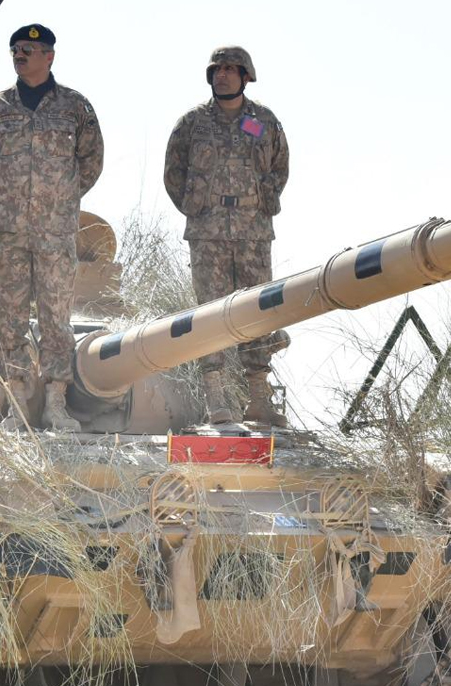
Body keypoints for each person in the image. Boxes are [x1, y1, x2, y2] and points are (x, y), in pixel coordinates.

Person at [0, 23, 104, 431]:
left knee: (55, 318)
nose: (20, 54)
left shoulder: (74, 108)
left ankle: (55, 404)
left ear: (49, 56)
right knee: (9, 319)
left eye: (29, 48)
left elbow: (90, 164)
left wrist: (57, 200)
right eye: (15, 49)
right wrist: (10, 199)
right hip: (7, 232)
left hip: (54, 232)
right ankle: (16, 404)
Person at [163, 45, 290, 427]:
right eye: (217, 69)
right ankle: (217, 399)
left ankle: (258, 399)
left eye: (231, 69)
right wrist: (196, 208)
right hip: (208, 233)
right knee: (210, 312)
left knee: (258, 311)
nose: (222, 74)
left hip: (253, 232)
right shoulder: (193, 124)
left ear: (246, 75)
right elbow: (173, 173)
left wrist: (261, 200)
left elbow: (280, 166)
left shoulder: (263, 121)